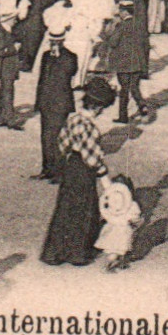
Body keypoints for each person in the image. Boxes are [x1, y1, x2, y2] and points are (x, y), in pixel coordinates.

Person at [40, 78, 118, 267]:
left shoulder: (72, 118)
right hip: (84, 171)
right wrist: (105, 178)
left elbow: (62, 144)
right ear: (97, 107)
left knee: (65, 207)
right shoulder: (89, 127)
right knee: (83, 210)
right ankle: (77, 253)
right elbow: (92, 158)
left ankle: (55, 252)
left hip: (71, 166)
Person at [34, 30, 79, 180]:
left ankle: (59, 171)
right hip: (46, 102)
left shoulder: (70, 57)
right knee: (46, 137)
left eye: (55, 42)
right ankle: (47, 169)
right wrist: (38, 102)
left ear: (61, 42)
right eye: (51, 42)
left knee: (58, 137)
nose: (52, 45)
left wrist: (58, 58)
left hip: (61, 103)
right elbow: (42, 79)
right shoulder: (46, 56)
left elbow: (70, 72)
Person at [0, 3, 25, 130]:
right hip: (5, 68)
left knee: (5, 92)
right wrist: (14, 49)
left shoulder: (7, 30)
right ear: (9, 19)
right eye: (14, 18)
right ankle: (9, 120)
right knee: (8, 93)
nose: (16, 20)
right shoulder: (0, 32)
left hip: (9, 67)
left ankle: (1, 118)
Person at [95, 175, 142, 273]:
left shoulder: (110, 203)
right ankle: (113, 265)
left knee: (111, 250)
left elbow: (103, 212)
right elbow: (135, 217)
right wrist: (133, 221)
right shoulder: (132, 204)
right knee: (120, 250)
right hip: (123, 231)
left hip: (110, 229)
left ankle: (113, 264)